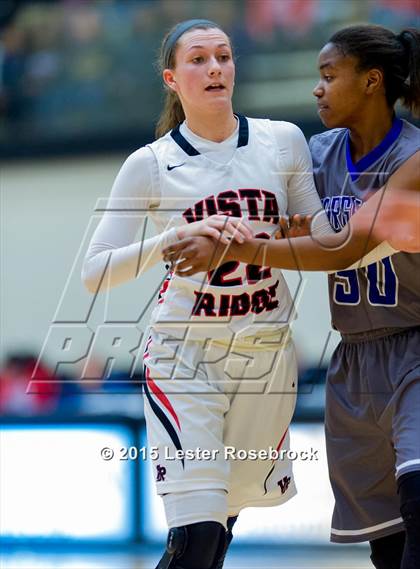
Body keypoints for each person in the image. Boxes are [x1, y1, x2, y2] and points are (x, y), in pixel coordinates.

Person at [81, 18, 339, 569]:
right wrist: (172, 239)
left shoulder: (282, 141)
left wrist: (269, 240)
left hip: (265, 356)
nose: (215, 67)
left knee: (217, 537)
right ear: (173, 79)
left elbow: (320, 238)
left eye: (223, 56)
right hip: (185, 356)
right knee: (195, 537)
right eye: (198, 59)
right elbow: (95, 273)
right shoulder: (149, 164)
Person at [164, 25, 420, 569]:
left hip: (415, 345)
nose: (317, 90)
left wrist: (244, 250)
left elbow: (342, 248)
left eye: (329, 77)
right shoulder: (315, 153)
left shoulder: (414, 156)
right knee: (388, 544)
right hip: (352, 356)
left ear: (372, 81)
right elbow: (288, 229)